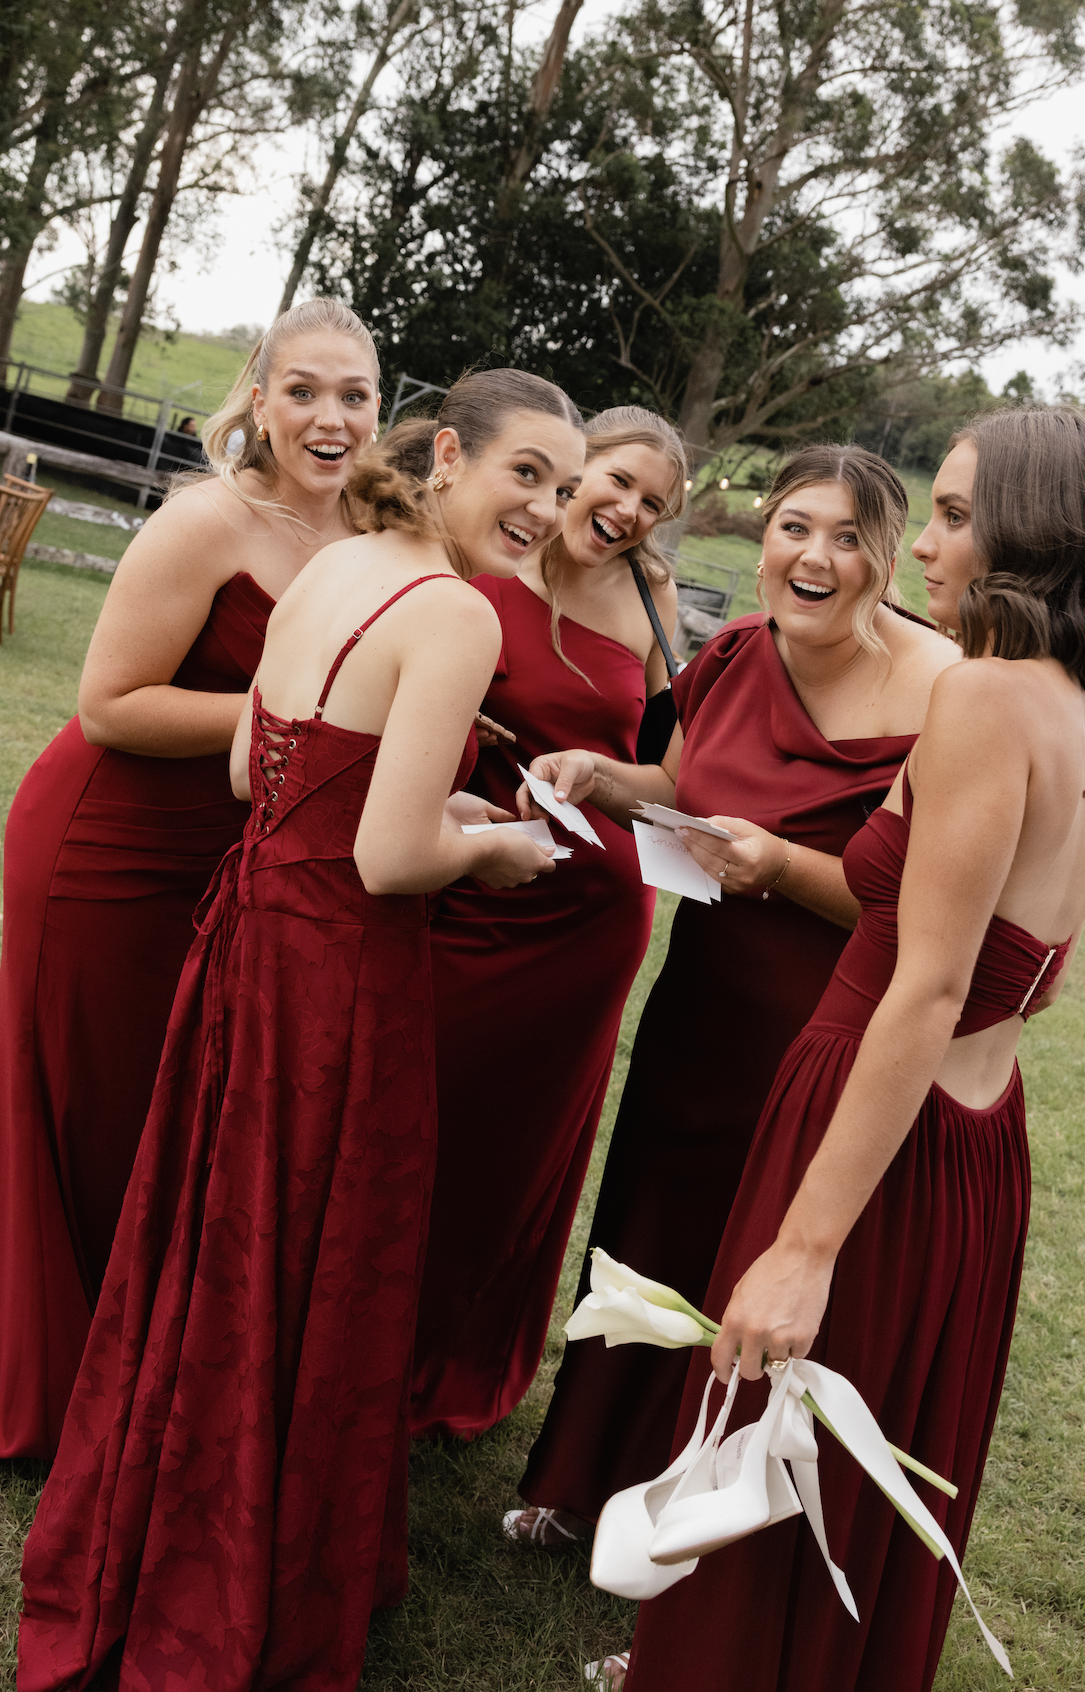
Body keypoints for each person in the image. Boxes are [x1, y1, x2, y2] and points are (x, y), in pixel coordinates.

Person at [17, 370, 585, 1692]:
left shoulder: (335, 563)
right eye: (526, 475)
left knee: (219, 1234)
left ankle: (167, 1504)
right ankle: (246, 1551)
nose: (546, 509)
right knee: (312, 1251)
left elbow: (240, 771)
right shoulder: (451, 613)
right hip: (340, 973)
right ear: (449, 454)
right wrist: (489, 851)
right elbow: (391, 856)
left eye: (564, 489)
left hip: (245, 930)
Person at [608, 405, 1085, 1692]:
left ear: (1028, 536)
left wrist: (804, 1246)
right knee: (854, 1434)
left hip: (873, 1114)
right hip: (978, 1138)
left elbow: (929, 987)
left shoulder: (979, 697)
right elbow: (1036, 985)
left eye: (954, 517)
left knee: (789, 1392)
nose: (927, 548)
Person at [510, 446, 960, 1544]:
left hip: (834, 1031)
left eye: (851, 538)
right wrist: (600, 775)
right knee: (650, 1231)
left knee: (765, 1267)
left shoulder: (949, 691)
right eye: (797, 527)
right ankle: (584, 1482)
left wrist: (788, 870)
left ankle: (706, 1535)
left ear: (889, 558)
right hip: (702, 1014)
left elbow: (945, 916)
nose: (818, 556)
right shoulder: (736, 654)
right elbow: (684, 784)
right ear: (763, 538)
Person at [0, 298, 381, 1461]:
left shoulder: (371, 534)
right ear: (256, 400)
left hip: (229, 856)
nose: (330, 417)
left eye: (355, 394)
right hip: (106, 848)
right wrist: (308, 723)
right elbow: (110, 704)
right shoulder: (207, 519)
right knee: (83, 1100)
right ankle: (42, 1382)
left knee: (170, 1106)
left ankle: (132, 1358)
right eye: (303, 391)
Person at [410, 406, 685, 1442]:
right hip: (469, 882)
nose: (623, 510)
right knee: (426, 1120)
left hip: (594, 921)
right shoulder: (484, 560)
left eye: (652, 503)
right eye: (613, 481)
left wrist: (602, 773)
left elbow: (677, 774)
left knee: (517, 1155)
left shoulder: (652, 597)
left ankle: (459, 1363)